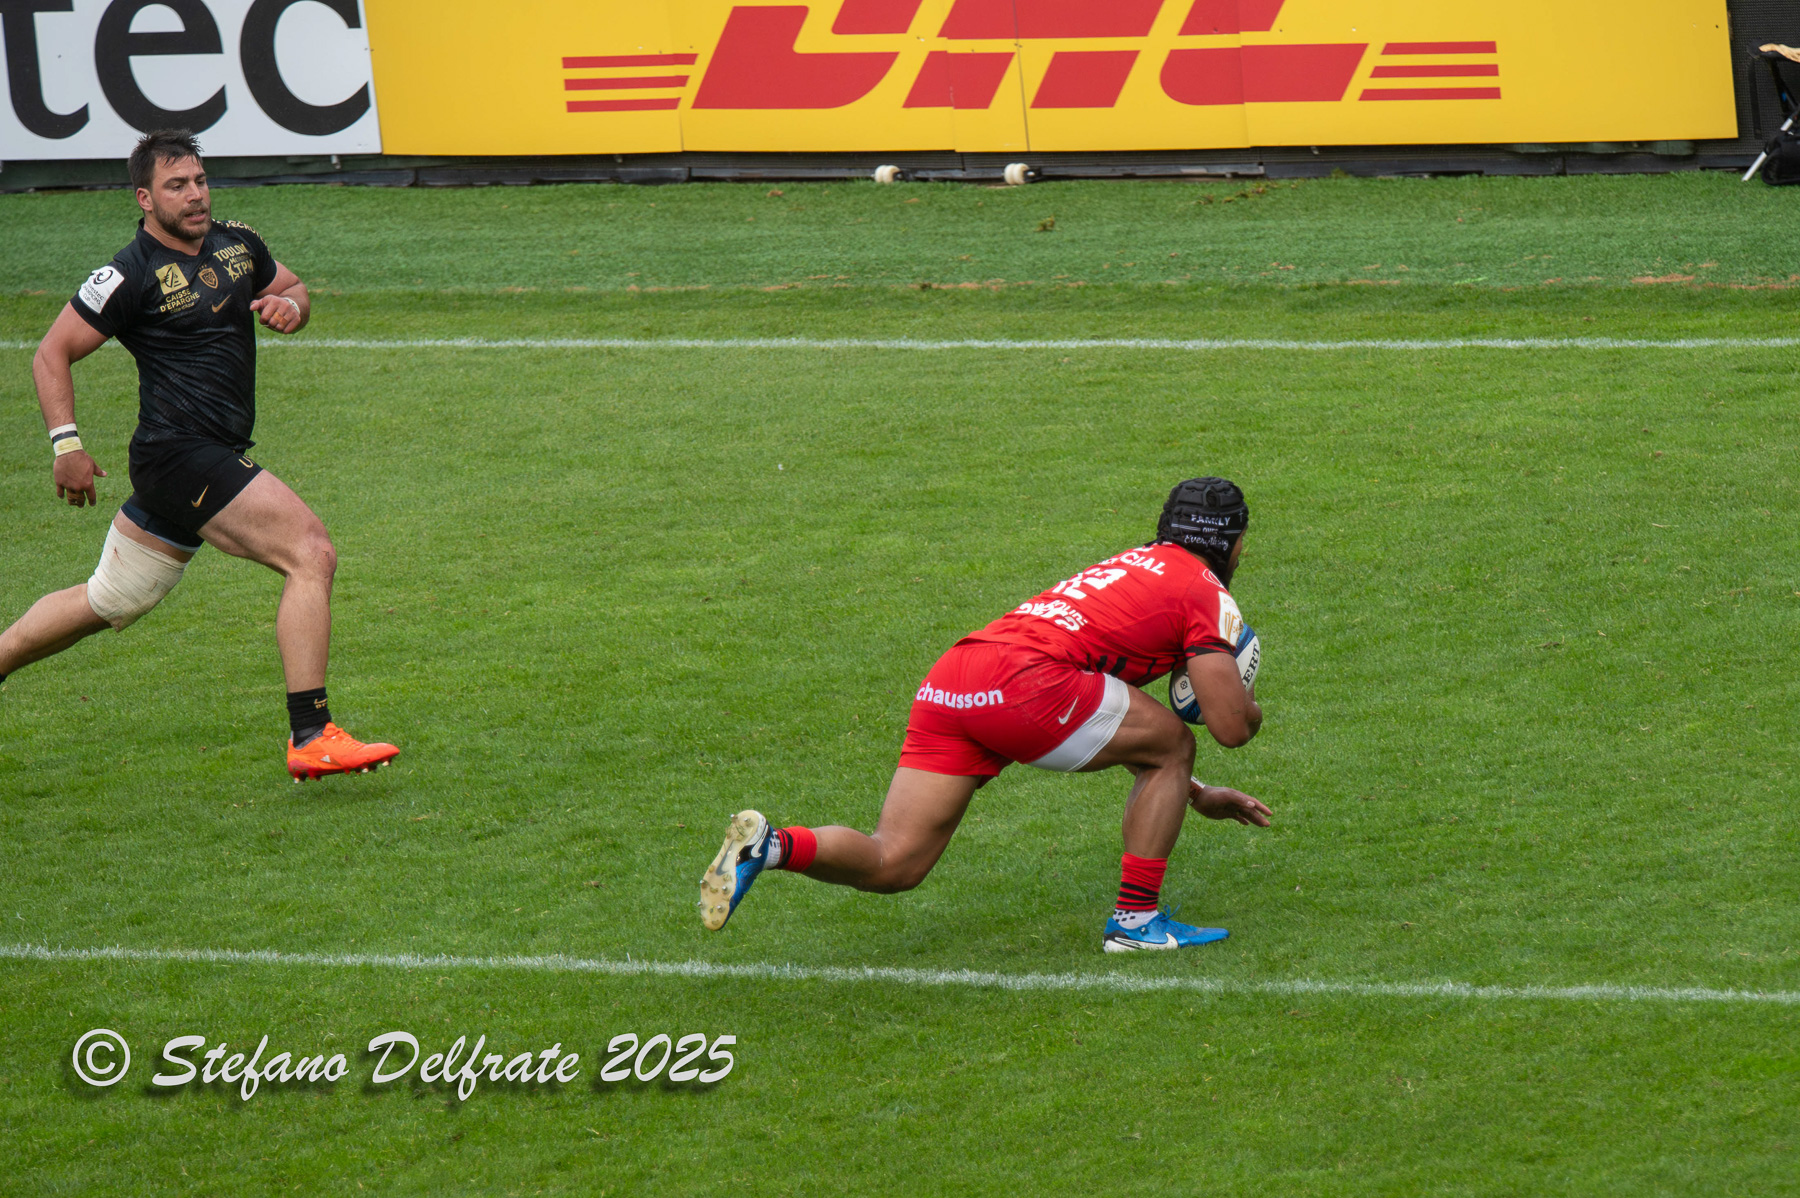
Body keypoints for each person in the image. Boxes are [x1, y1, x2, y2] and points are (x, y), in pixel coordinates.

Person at [701, 477, 1271, 952]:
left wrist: (1193, 793)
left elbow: (1110, 717)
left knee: (894, 862)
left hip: (956, 676)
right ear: (1230, 542)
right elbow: (1227, 728)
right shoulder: (1204, 591)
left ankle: (769, 847)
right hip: (1028, 681)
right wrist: (1249, 708)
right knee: (1175, 743)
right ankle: (1135, 924)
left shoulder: (1133, 567)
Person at [0, 129, 397, 783]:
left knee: (112, 598)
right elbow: (52, 352)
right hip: (179, 456)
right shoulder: (125, 275)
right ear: (144, 197)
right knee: (311, 551)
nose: (195, 195)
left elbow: (294, 287)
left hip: (199, 458)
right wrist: (65, 445)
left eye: (200, 180)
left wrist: (290, 308)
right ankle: (311, 731)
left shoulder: (239, 246)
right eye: (176, 185)